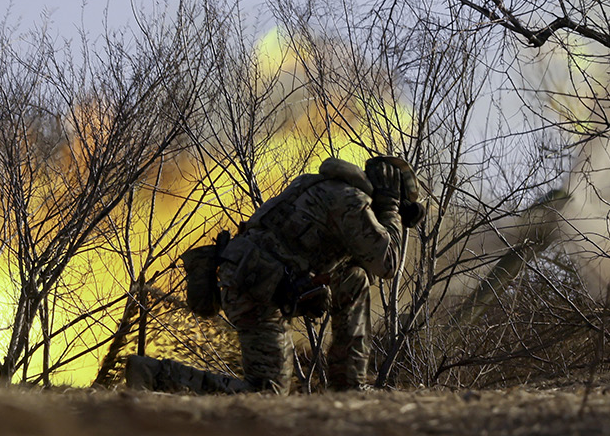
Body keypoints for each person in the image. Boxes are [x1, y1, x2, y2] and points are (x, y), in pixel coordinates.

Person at [127, 154, 424, 394]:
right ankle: (153, 374)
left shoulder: (328, 188)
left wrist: (392, 214)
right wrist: (390, 210)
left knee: (355, 279)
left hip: (262, 280)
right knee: (267, 393)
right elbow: (387, 263)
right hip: (254, 287)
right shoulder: (349, 201)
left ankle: (348, 385)